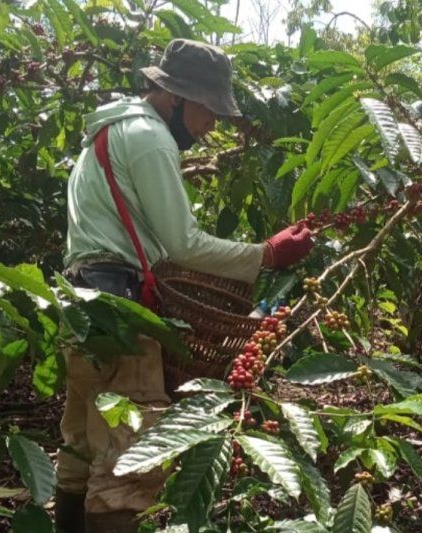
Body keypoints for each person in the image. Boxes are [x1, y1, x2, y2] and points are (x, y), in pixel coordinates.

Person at [56, 39, 313, 533]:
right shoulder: (151, 138)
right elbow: (183, 244)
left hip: (83, 302)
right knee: (130, 465)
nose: (211, 124)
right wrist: (267, 254)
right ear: (174, 97)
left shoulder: (108, 130)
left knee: (81, 448)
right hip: (122, 308)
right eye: (207, 109)